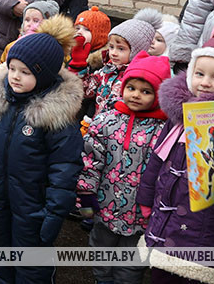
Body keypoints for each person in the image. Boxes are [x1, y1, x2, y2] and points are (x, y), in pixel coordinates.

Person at [0, 15, 84, 283]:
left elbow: (65, 169)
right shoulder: (0, 104)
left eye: (26, 72)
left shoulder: (56, 117)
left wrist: (54, 212)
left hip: (33, 208)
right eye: (13, 68)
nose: (15, 76)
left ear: (43, 75)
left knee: (32, 266)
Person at [137, 35, 214, 284]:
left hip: (209, 237)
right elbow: (157, 161)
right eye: (199, 73)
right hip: (166, 229)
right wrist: (146, 198)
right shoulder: (180, 115)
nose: (205, 83)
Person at [78, 52, 171, 284]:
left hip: (141, 215)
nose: (137, 95)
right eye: (132, 88)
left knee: (131, 264)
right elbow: (90, 161)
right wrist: (86, 195)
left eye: (146, 91)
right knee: (101, 252)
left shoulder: (163, 130)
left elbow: (165, 174)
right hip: (105, 206)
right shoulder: (106, 121)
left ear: (158, 95)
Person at [76, 8, 163, 117]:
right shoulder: (107, 69)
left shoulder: (136, 77)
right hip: (98, 125)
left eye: (121, 49)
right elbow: (87, 91)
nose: (113, 53)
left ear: (136, 50)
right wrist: (79, 66)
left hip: (119, 129)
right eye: (111, 47)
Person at [0, 0, 60, 64]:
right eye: (27, 20)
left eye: (36, 21)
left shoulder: (54, 49)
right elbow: (2, 65)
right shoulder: (12, 46)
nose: (29, 24)